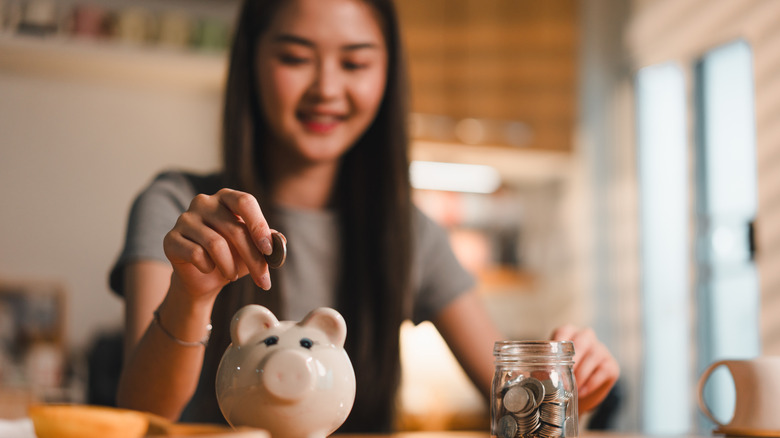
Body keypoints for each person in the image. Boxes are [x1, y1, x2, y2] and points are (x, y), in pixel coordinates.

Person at [109, 0, 620, 432]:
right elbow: (139, 419)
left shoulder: (409, 233)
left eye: (354, 64)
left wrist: (568, 388)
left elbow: (514, 398)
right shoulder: (181, 211)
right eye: (294, 57)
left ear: (387, 74)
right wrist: (192, 294)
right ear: (250, 63)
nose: (327, 88)